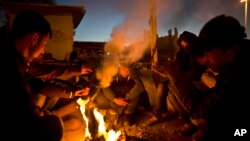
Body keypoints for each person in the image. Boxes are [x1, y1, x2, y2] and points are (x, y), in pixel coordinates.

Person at [1, 10, 63, 141]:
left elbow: (32, 86)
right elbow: (23, 109)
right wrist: (40, 115)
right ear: (34, 38)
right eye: (45, 43)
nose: (44, 51)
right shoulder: (10, 67)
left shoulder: (13, 56)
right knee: (54, 126)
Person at [189, 14, 250, 140]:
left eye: (207, 52)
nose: (202, 61)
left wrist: (176, 78)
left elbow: (200, 112)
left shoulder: (238, 74)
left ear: (231, 49)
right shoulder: (232, 66)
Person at [93, 62, 145, 127]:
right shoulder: (112, 72)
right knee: (102, 97)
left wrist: (127, 97)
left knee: (136, 93)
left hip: (127, 95)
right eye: (124, 69)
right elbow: (105, 86)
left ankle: (128, 114)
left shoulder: (134, 73)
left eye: (128, 70)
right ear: (119, 67)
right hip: (115, 95)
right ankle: (117, 113)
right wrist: (114, 99)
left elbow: (140, 86)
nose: (126, 72)